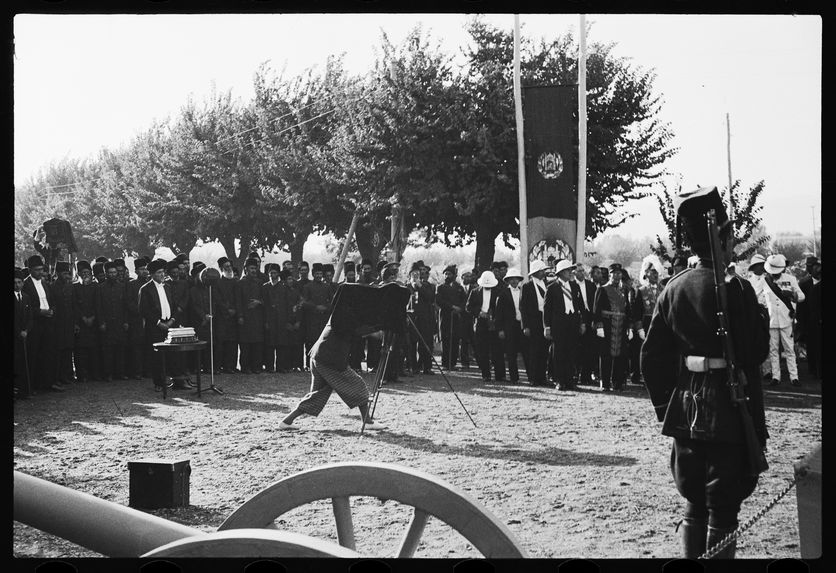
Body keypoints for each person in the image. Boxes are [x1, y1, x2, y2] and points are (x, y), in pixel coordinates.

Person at [641, 185, 769, 559]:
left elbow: (651, 359)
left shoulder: (672, 289)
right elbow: (755, 351)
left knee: (694, 502)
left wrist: (668, 408)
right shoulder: (739, 289)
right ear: (724, 238)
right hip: (729, 407)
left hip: (686, 409)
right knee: (724, 510)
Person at [279, 318, 387, 432]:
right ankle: (368, 422)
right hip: (330, 358)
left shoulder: (340, 312)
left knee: (318, 394)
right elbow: (353, 330)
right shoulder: (343, 316)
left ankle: (286, 421)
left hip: (319, 355)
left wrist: (374, 330)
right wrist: (375, 331)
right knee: (358, 384)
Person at [761, 254, 805, 387]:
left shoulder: (791, 279)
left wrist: (792, 295)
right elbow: (757, 297)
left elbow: (802, 297)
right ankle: (776, 377)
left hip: (787, 320)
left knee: (789, 349)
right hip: (772, 321)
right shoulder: (764, 281)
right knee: (773, 350)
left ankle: (794, 377)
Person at [22, 255, 63, 392]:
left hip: (48, 323)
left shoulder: (45, 283)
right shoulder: (25, 284)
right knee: (34, 354)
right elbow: (26, 307)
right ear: (30, 270)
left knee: (48, 353)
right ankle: (33, 385)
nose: (40, 272)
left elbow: (53, 301)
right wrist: (40, 312)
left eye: (41, 269)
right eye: (36, 270)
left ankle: (49, 382)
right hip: (35, 324)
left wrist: (52, 311)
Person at [593, 263, 635, 392]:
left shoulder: (624, 290)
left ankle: (617, 382)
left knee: (621, 355)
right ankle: (605, 382)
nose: (617, 276)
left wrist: (630, 327)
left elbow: (628, 310)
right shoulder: (603, 289)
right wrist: (599, 326)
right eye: (614, 273)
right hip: (607, 324)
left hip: (621, 325)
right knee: (605, 354)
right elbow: (597, 309)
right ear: (610, 274)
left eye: (619, 273)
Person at [139, 259, 179, 391]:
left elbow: (174, 305)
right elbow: (143, 309)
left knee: (171, 355)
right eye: (159, 272)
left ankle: (172, 380)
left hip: (169, 324)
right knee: (156, 356)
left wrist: (172, 320)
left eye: (163, 272)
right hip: (155, 327)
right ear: (152, 274)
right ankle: (158, 382)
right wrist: (158, 323)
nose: (162, 275)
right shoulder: (145, 289)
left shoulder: (168, 287)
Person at [466, 270, 505, 382]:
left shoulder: (499, 292)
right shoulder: (474, 292)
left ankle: (500, 375)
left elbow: (502, 308)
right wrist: (479, 312)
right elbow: (468, 307)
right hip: (481, 323)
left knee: (497, 350)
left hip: (495, 323)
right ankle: (486, 374)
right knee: (482, 350)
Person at [520, 260, 552, 388]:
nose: (544, 272)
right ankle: (533, 378)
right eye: (542, 270)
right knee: (533, 351)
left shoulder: (547, 284)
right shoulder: (526, 287)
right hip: (532, 322)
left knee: (544, 350)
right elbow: (522, 308)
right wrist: (525, 326)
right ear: (536, 272)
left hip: (544, 321)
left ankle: (542, 377)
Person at [96, 261, 129, 381]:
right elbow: (98, 307)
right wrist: (101, 322)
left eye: (115, 272)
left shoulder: (122, 286)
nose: (113, 274)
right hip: (107, 323)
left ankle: (120, 373)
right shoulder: (100, 288)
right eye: (110, 273)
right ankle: (108, 374)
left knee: (120, 349)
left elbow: (125, 305)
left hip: (120, 322)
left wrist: (126, 321)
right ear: (106, 274)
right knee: (108, 350)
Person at [495, 268, 528, 384]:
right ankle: (514, 377)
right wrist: (500, 329)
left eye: (516, 279)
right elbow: (498, 314)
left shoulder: (523, 292)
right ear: (508, 281)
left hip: (522, 325)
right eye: (512, 279)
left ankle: (531, 376)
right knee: (511, 353)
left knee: (526, 351)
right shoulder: (503, 294)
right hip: (509, 326)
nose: (514, 281)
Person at [436, 264, 467, 371]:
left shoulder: (459, 288)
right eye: (445, 274)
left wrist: (460, 308)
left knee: (455, 338)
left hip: (456, 317)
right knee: (446, 339)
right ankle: (445, 363)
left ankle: (453, 363)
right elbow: (439, 301)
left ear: (454, 275)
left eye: (449, 274)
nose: (447, 276)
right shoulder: (440, 287)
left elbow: (464, 301)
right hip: (445, 316)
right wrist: (451, 307)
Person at [237, 257, 266, 374]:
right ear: (246, 269)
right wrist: (240, 316)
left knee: (257, 342)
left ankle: (256, 366)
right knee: (245, 343)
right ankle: (245, 366)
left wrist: (258, 303)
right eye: (251, 268)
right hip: (245, 316)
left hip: (257, 317)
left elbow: (265, 300)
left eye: (255, 268)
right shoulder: (240, 283)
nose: (254, 270)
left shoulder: (260, 283)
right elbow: (238, 301)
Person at [262, 263, 292, 373]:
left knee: (281, 344)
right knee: (270, 344)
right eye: (271, 273)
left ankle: (280, 366)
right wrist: (265, 320)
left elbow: (288, 304)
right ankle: (270, 367)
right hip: (269, 319)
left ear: (278, 274)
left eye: (274, 273)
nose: (272, 275)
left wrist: (288, 320)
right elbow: (264, 305)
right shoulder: (265, 287)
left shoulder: (283, 287)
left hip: (281, 319)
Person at [52, 261, 77, 386]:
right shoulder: (52, 287)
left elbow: (73, 306)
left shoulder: (70, 286)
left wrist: (74, 323)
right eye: (64, 273)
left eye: (68, 273)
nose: (67, 276)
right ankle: (58, 377)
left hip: (69, 324)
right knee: (59, 351)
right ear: (57, 273)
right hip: (57, 325)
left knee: (68, 350)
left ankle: (67, 376)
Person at [72, 261, 98, 384]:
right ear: (79, 274)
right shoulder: (75, 287)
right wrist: (82, 318)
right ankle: (82, 375)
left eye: (88, 272)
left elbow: (98, 304)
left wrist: (92, 317)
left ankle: (93, 374)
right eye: (83, 273)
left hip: (93, 323)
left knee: (93, 350)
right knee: (80, 351)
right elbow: (75, 306)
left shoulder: (96, 287)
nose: (86, 275)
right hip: (81, 324)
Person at [125, 257, 150, 380]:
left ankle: (148, 370)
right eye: (141, 269)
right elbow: (129, 303)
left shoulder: (151, 284)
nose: (144, 271)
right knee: (137, 346)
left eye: (146, 269)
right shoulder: (132, 285)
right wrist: (141, 312)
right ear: (136, 271)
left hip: (150, 320)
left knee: (149, 345)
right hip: (136, 320)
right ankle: (138, 371)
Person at [574, 263, 599, 385]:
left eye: (583, 270)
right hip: (577, 319)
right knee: (577, 349)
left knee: (590, 349)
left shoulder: (590, 285)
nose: (582, 273)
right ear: (574, 273)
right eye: (579, 271)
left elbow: (595, 304)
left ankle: (586, 376)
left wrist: (595, 320)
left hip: (590, 318)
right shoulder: (572, 286)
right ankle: (575, 375)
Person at [796, 256, 820, 379]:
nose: (810, 268)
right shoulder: (804, 283)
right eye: (808, 266)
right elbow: (800, 307)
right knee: (812, 347)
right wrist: (802, 323)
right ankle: (813, 371)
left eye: (813, 266)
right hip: (810, 322)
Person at [215, 256, 240, 373]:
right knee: (221, 342)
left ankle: (231, 366)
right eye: (226, 267)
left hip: (234, 317)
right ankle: (220, 366)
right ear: (221, 268)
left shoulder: (236, 282)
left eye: (230, 266)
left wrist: (235, 310)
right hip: (222, 317)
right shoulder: (217, 283)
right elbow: (217, 300)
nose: (229, 269)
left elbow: (239, 299)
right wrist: (227, 310)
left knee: (232, 343)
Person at [14, 267, 35, 398]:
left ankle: (25, 390)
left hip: (25, 335)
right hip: (15, 336)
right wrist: (19, 332)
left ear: (23, 283)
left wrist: (26, 330)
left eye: (19, 282)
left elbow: (30, 317)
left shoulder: (26, 297)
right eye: (14, 282)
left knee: (25, 362)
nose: (17, 285)